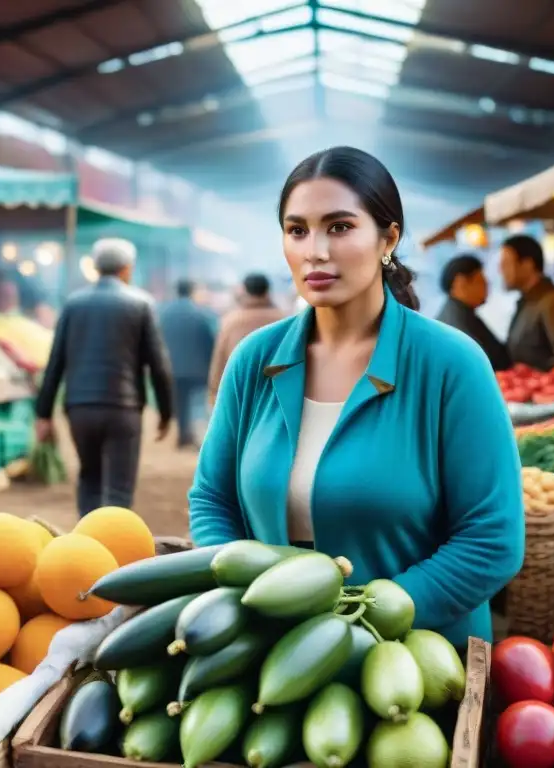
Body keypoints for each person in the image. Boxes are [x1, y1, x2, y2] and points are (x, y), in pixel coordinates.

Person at [188, 147, 524, 648]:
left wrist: (361, 621)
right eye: (297, 229)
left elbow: (491, 538)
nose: (314, 251)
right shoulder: (254, 360)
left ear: (388, 238)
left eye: (339, 227)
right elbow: (212, 500)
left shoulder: (452, 364)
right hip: (271, 655)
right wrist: (246, 599)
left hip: (415, 664)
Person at [35, 237, 174, 517]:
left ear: (96, 268)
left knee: (89, 478)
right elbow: (158, 365)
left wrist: (43, 413)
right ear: (126, 268)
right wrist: (166, 412)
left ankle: (88, 547)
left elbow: (55, 363)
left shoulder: (73, 304)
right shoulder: (141, 303)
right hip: (123, 409)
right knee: (119, 489)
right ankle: (114, 549)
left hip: (80, 408)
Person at [500, 234, 554, 371]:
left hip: (551, 389)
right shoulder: (528, 301)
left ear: (527, 264)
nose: (501, 270)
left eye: (506, 263)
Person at [208, 272, 288, 404]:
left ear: (244, 291)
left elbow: (219, 361)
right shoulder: (283, 320)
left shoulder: (231, 322)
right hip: (275, 395)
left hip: (239, 393)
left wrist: (214, 395)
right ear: (268, 291)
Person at [158, 279, 217, 448]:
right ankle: (197, 436)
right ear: (191, 291)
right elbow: (210, 341)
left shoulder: (164, 313)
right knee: (197, 403)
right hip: (198, 368)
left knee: (180, 402)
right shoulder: (201, 313)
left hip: (172, 367)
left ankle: (183, 435)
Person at [435, 254, 510, 371]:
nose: (487, 284)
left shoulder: (461, 312)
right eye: (481, 280)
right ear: (461, 283)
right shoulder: (457, 321)